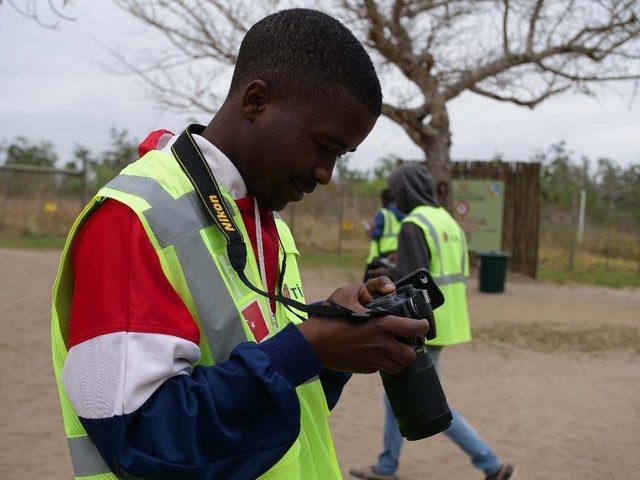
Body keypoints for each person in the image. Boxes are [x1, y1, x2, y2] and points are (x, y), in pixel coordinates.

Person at [50, 10, 430, 480]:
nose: (325, 175)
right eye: (324, 146)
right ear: (256, 101)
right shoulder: (132, 219)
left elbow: (274, 404)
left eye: (340, 156)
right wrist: (305, 348)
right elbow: (140, 439)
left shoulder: (263, 219)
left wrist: (333, 344)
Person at [351, 163, 515, 480]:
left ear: (406, 191)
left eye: (397, 190)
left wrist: (385, 278)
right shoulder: (447, 221)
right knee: (399, 395)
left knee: (425, 399)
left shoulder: (413, 224)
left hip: (420, 325)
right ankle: (387, 466)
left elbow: (409, 285)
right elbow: (437, 273)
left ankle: (490, 464)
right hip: (447, 320)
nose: (395, 197)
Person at [364, 189, 404, 281]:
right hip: (399, 254)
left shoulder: (383, 213)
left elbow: (376, 234)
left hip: (382, 256)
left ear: (384, 199)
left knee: (368, 286)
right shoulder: (404, 214)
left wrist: (370, 230)